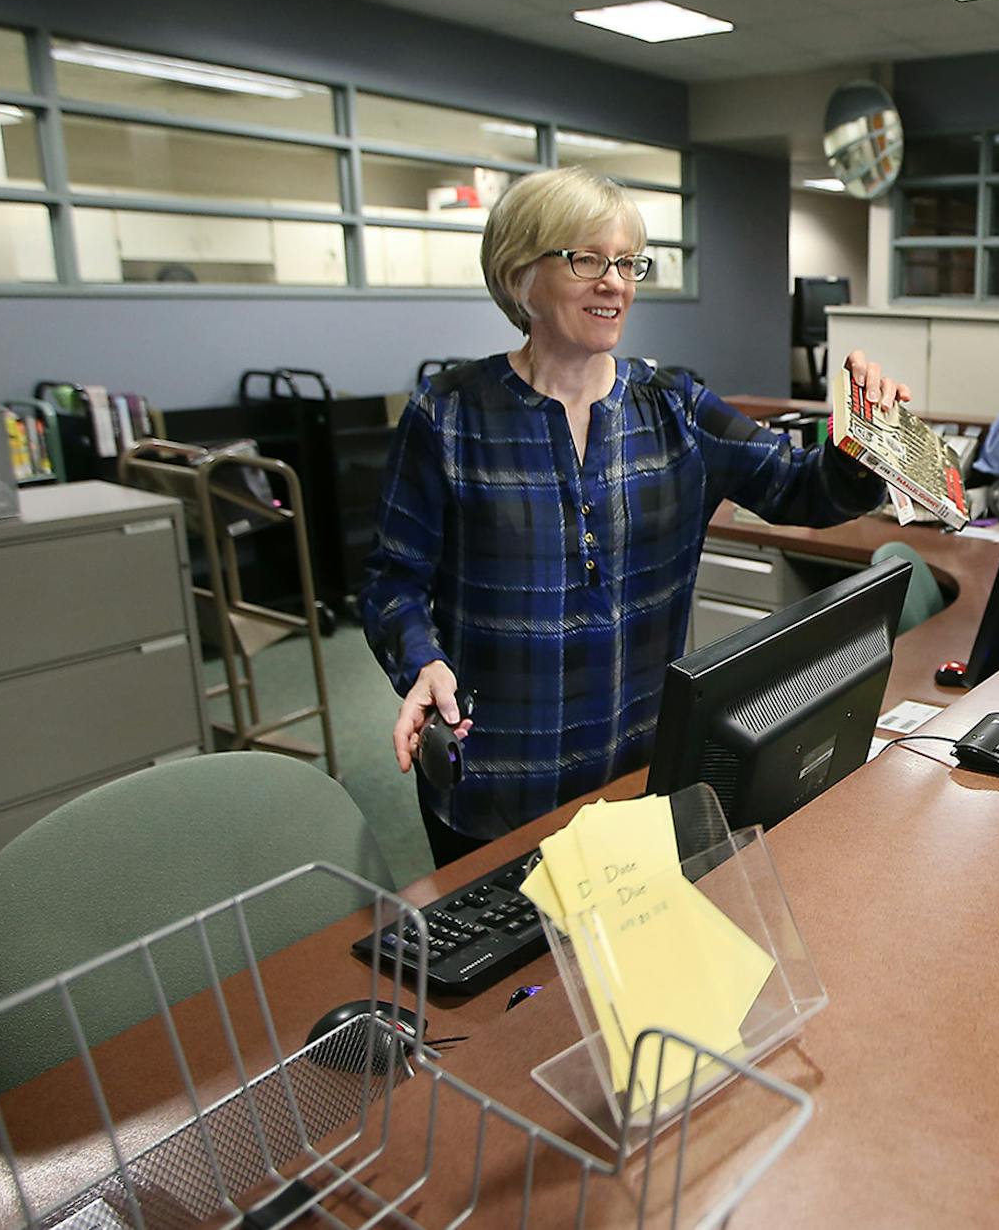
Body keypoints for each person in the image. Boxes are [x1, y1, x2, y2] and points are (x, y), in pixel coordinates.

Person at [360, 167, 909, 867]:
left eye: (627, 262)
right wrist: (422, 659)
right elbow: (390, 581)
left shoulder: (674, 405)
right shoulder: (448, 415)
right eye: (586, 259)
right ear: (519, 273)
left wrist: (861, 440)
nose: (615, 282)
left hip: (640, 782)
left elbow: (801, 488)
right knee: (515, 980)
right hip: (497, 791)